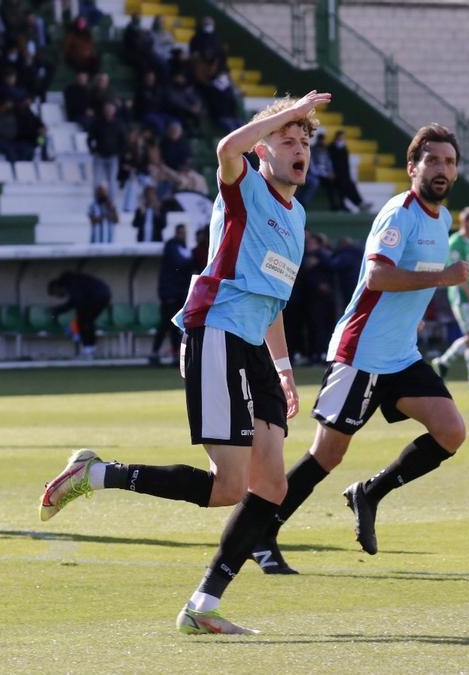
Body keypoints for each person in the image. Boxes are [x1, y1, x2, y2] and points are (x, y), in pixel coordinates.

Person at [38, 91, 331, 635]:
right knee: (228, 487)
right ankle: (97, 474)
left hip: (254, 349)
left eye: (304, 141)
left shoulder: (298, 214)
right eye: (286, 140)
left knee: (271, 487)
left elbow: (272, 301)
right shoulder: (244, 186)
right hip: (217, 334)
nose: (298, 149)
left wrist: (285, 369)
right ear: (262, 149)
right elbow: (225, 148)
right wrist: (277, 116)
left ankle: (203, 606)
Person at [252, 123, 469, 573]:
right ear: (413, 168)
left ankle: (369, 493)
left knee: (451, 432)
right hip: (361, 352)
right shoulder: (398, 214)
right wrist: (441, 278)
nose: (442, 169)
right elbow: (377, 277)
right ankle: (259, 532)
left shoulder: (443, 219)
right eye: (433, 161)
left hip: (401, 355)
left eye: (449, 162)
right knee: (326, 455)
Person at [432, 206, 469, 387]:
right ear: (464, 222)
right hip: (463, 297)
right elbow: (456, 273)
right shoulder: (456, 242)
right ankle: (443, 362)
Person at [150, 223, 191, 364]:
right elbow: (180, 262)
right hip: (170, 292)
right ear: (177, 232)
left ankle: (173, 354)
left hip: (177, 292)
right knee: (166, 324)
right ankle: (156, 353)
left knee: (174, 325)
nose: (183, 235)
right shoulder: (173, 246)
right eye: (181, 232)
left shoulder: (183, 247)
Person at [47, 270, 111, 359]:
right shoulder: (72, 281)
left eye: (56, 294)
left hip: (96, 296)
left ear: (56, 287)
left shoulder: (69, 282)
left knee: (82, 321)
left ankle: (88, 351)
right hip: (104, 294)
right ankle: (91, 349)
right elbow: (76, 301)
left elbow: (74, 302)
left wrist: (57, 311)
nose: (58, 296)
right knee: (87, 321)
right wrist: (58, 311)